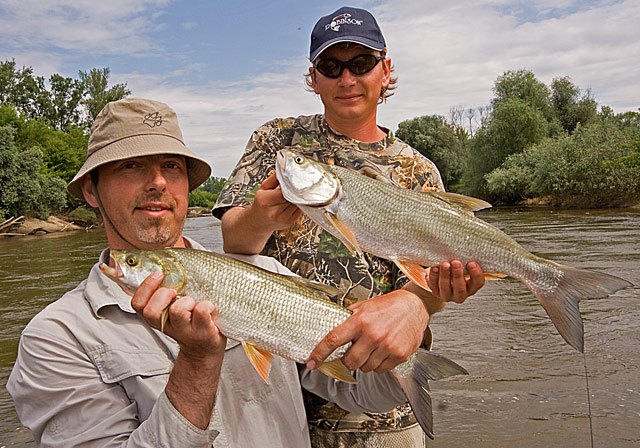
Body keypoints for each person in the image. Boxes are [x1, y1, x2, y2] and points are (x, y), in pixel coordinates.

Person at [7, 98, 413, 447]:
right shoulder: (55, 338)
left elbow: (363, 394)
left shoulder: (267, 272)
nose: (158, 182)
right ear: (92, 191)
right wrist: (198, 360)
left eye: (171, 165)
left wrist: (407, 334)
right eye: (130, 166)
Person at [213, 6, 486, 447]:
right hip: (272, 406)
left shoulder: (417, 170)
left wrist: (430, 299)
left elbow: (423, 290)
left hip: (379, 409)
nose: (347, 79)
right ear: (313, 77)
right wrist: (262, 216)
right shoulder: (276, 141)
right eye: (331, 66)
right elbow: (233, 241)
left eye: (361, 64)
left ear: (385, 70)